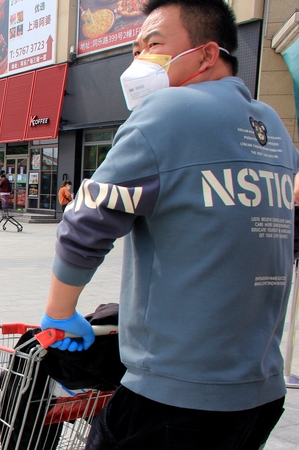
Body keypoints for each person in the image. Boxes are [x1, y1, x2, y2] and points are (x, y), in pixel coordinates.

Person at [42, 1, 298, 448]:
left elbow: (86, 220)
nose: (141, 58)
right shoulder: (272, 125)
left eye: (155, 44)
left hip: (175, 396)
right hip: (259, 390)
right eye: (137, 47)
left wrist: (60, 314)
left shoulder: (168, 112)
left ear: (206, 54)